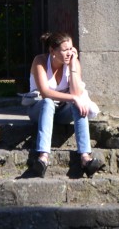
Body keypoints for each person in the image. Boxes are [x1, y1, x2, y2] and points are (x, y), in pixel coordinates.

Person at [24, 30, 105, 178]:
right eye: (65, 50)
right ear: (52, 51)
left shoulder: (73, 62)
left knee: (78, 104)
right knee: (48, 102)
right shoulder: (40, 61)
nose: (69, 53)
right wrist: (73, 98)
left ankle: (85, 158)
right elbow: (45, 92)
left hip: (60, 111)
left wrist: (73, 65)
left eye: (71, 49)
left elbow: (76, 92)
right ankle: (43, 157)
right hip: (39, 109)